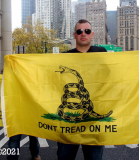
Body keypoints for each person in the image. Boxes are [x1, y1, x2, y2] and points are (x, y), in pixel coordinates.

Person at [57, 19, 107, 160]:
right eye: (79, 31)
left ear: (92, 35)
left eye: (87, 31)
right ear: (74, 35)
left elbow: (112, 78)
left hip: (93, 126)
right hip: (68, 126)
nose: (83, 34)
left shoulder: (102, 53)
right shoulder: (65, 57)